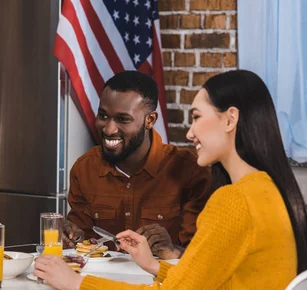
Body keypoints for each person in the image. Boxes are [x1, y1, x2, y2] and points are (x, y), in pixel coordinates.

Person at [35, 70, 307, 290]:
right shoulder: (270, 190)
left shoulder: (232, 201)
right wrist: (154, 265)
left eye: (197, 117)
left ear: (230, 119)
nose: (190, 133)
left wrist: (75, 283)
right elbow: (202, 281)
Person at [63, 71, 212, 262]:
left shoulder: (189, 172)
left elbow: (204, 257)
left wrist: (173, 251)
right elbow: (81, 244)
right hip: (99, 287)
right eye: (103, 115)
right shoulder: (84, 169)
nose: (108, 129)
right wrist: (71, 238)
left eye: (123, 119)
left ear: (149, 120)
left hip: (162, 287)